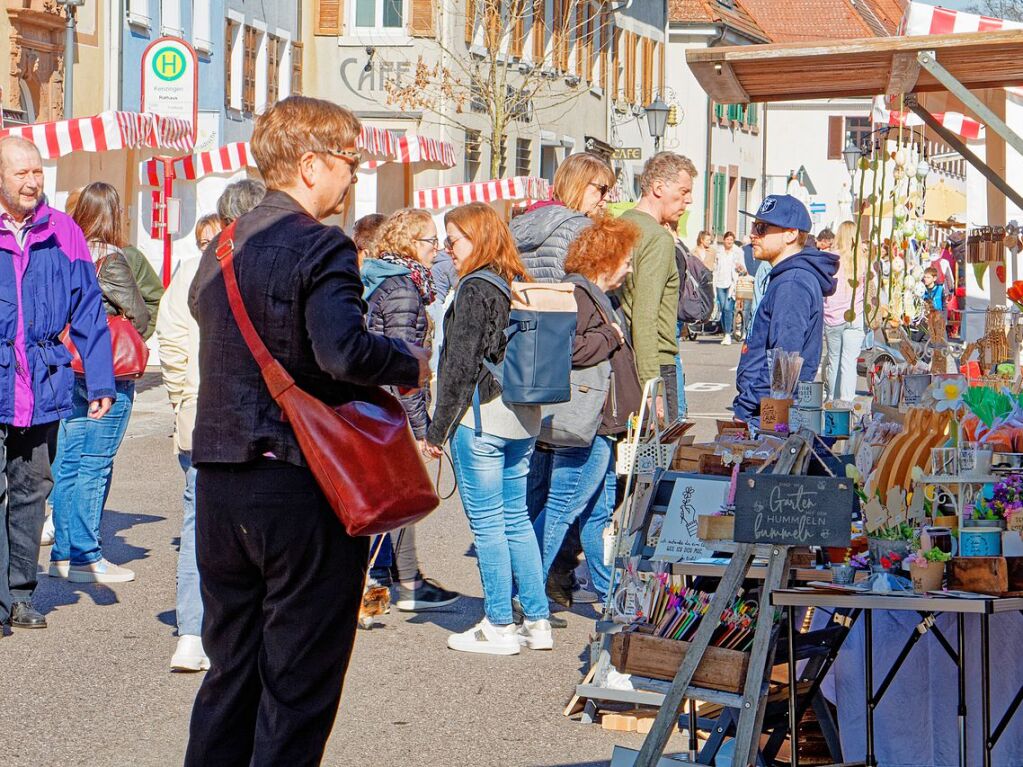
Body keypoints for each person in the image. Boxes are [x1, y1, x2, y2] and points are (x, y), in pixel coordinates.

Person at [183, 96, 429, 766]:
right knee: (297, 685)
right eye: (350, 161)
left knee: (231, 671)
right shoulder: (320, 243)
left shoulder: (223, 244)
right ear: (312, 163)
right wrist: (410, 363)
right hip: (299, 478)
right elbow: (342, 352)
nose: (354, 176)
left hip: (221, 473)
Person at [423, 202, 551, 656]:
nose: (447, 249)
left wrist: (436, 431)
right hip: (523, 415)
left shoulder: (475, 287)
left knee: (488, 525)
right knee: (515, 519)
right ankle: (536, 619)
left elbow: (460, 363)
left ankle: (498, 622)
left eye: (453, 239)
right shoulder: (513, 282)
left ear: (476, 238)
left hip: (481, 418)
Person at [0, 136, 115, 632]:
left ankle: (21, 594)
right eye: (21, 173)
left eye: (37, 173)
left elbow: (89, 309)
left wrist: (102, 378)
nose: (31, 182)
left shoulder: (62, 230)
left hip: (43, 383)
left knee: (31, 491)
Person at [512, 151, 615, 614]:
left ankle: (533, 582)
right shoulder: (577, 229)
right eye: (600, 189)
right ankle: (532, 589)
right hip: (575, 365)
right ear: (578, 187)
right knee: (564, 495)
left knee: (533, 484)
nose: (605, 198)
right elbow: (588, 290)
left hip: (531, 363)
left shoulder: (522, 227)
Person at [534, 216, 642, 606]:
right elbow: (567, 350)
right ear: (606, 259)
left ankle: (614, 595)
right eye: (626, 260)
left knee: (595, 518)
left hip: (601, 423)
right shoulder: (580, 296)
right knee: (563, 509)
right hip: (588, 422)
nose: (629, 269)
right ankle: (524, 592)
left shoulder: (597, 297)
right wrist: (608, 336)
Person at [47, 183, 149, 584]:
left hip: (67, 366)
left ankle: (62, 555)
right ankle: (87, 556)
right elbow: (139, 317)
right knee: (95, 462)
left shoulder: (59, 253)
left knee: (69, 461)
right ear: (114, 215)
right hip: (106, 370)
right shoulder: (112, 260)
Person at [360, 208, 459, 612]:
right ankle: (400, 583)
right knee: (397, 495)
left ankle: (403, 579)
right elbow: (405, 364)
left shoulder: (388, 279)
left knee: (394, 496)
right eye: (429, 240)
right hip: (391, 406)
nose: (437, 249)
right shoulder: (401, 288)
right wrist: (423, 428)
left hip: (380, 402)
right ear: (407, 243)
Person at [157, 213, 223, 671]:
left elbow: (172, 342)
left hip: (199, 413)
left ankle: (193, 632)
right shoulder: (203, 271)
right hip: (216, 412)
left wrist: (184, 398)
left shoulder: (187, 274)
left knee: (198, 521)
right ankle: (204, 630)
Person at [732, 195, 838, 428]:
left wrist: (746, 407)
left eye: (762, 228)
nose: (753, 234)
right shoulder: (788, 277)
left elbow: (784, 362)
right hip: (768, 407)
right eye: (754, 226)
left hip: (770, 413)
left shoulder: (792, 284)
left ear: (790, 234)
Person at [618, 152, 696, 420]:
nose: (689, 200)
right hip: (655, 363)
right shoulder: (657, 238)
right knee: (658, 456)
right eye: (683, 191)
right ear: (659, 187)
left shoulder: (619, 225)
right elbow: (646, 314)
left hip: (623, 358)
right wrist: (653, 389)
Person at [510, 151, 614, 282]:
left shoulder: (527, 219)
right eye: (603, 189)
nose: (607, 197)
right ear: (578, 185)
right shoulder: (583, 228)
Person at [823, 221, 866, 403]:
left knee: (834, 360)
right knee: (849, 363)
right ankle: (846, 403)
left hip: (832, 316)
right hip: (855, 315)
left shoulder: (829, 259)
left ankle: (832, 400)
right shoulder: (863, 260)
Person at [713, 231, 745, 345]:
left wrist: (740, 268)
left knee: (728, 308)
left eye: (731, 240)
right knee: (722, 308)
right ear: (724, 240)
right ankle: (725, 331)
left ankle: (727, 334)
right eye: (728, 239)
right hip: (719, 283)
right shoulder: (719, 251)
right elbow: (715, 266)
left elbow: (743, 269)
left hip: (731, 283)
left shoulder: (737, 252)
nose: (729, 242)